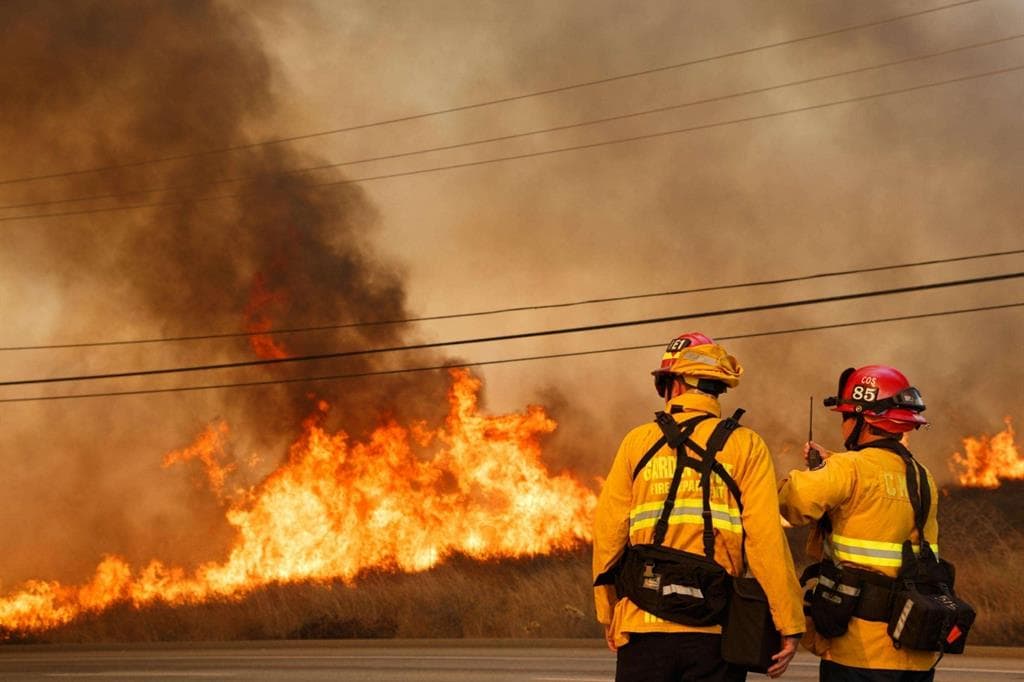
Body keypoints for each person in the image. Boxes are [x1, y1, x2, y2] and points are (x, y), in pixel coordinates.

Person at [593, 332, 805, 682]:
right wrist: (788, 620)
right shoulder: (746, 445)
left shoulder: (638, 442)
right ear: (715, 387)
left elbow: (608, 534)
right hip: (715, 631)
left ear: (675, 384)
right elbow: (765, 539)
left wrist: (610, 610)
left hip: (642, 625)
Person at [778, 365, 939, 681]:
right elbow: (873, 487)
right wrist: (832, 463)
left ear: (863, 419)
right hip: (915, 650)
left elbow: (790, 506)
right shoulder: (923, 477)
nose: (843, 424)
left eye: (845, 416)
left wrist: (820, 470)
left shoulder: (848, 468)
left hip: (861, 651)